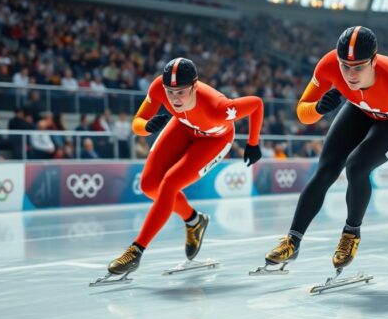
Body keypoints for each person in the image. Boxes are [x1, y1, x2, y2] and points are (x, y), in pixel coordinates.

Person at [261, 26, 388, 275]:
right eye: (345, 66)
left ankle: (351, 234)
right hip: (360, 110)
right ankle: (292, 241)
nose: (350, 75)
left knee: (357, 167)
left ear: (374, 60)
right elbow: (302, 113)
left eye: (359, 67)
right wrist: (318, 108)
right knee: (326, 170)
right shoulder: (329, 65)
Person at [97, 57, 264, 283]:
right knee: (149, 185)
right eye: (170, 92)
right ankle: (194, 220)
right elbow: (138, 121)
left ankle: (136, 251)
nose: (174, 99)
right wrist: (147, 127)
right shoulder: (159, 87)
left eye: (181, 93)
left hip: (214, 139)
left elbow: (256, 104)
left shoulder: (218, 108)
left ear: (195, 86)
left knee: (170, 183)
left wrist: (253, 143)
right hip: (183, 126)